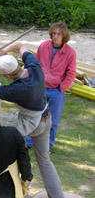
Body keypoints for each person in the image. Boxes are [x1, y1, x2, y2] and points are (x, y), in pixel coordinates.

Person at [0, 42, 69, 198]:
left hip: (29, 124)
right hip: (46, 119)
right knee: (45, 160)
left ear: (8, 76)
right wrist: (4, 52)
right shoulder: (34, 67)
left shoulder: (18, 90)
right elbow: (21, 45)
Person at [25, 21, 76, 151]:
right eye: (53, 33)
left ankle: (48, 145)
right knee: (35, 115)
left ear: (64, 36)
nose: (55, 36)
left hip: (56, 90)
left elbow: (71, 73)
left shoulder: (70, 53)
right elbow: (35, 64)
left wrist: (62, 87)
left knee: (52, 120)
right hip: (40, 88)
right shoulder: (43, 46)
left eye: (58, 34)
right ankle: (29, 142)